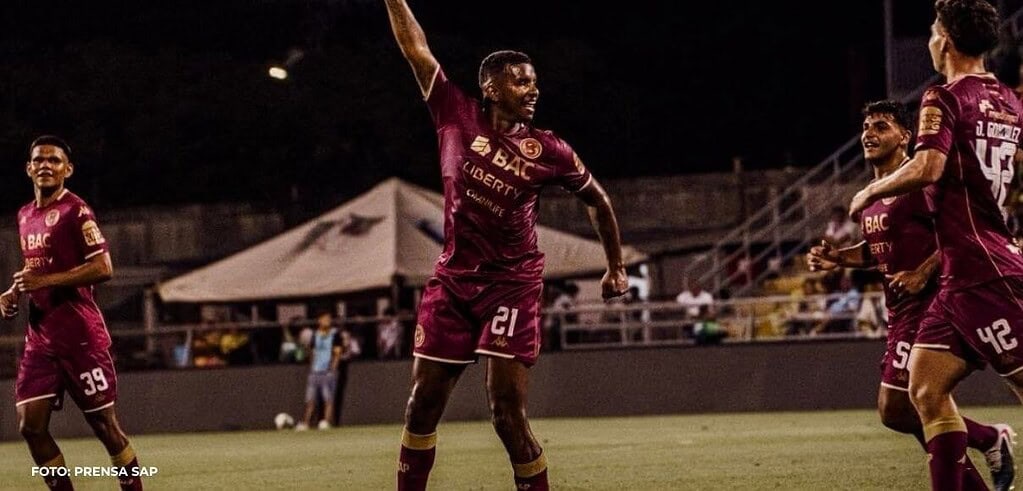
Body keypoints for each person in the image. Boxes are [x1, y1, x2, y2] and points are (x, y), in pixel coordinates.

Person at [382, 1, 629, 488]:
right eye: (521, 81)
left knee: (505, 416)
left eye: (534, 82)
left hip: (510, 286)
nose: (533, 90)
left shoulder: (549, 150)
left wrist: (615, 266)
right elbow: (417, 50)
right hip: (453, 282)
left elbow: (598, 201)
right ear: (490, 87)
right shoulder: (454, 114)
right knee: (420, 408)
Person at [848, 3, 1023, 487]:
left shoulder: (942, 97)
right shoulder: (1009, 99)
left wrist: (869, 191)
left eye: (931, 30)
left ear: (944, 39)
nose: (929, 38)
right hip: (959, 280)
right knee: (922, 392)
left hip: (986, 271)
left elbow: (928, 167)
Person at [813, 100, 1011, 489]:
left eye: (882, 126)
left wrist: (923, 272)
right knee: (919, 410)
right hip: (900, 310)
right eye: (867, 125)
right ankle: (988, 444)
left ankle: (989, 437)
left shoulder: (920, 182)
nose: (870, 133)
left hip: (935, 304)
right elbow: (879, 249)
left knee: (898, 409)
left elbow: (962, 236)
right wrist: (840, 258)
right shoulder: (876, 193)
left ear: (906, 136)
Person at [0, 136, 144, 490]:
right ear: (28, 168)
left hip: (80, 338)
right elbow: (37, 267)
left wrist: (46, 280)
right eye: (39, 160)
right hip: (40, 339)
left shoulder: (76, 211)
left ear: (68, 169)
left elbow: (103, 267)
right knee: (30, 427)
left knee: (105, 429)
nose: (46, 165)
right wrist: (15, 290)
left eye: (54, 160)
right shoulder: (24, 215)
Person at [297, 310, 342, 431]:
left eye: (329, 318)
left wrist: (332, 369)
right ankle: (306, 423)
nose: (327, 321)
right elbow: (312, 352)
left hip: (327, 372)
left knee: (328, 398)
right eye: (325, 318)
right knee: (310, 399)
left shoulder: (335, 334)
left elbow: (337, 353)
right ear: (319, 321)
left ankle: (326, 421)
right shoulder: (315, 335)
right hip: (315, 372)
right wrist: (312, 368)